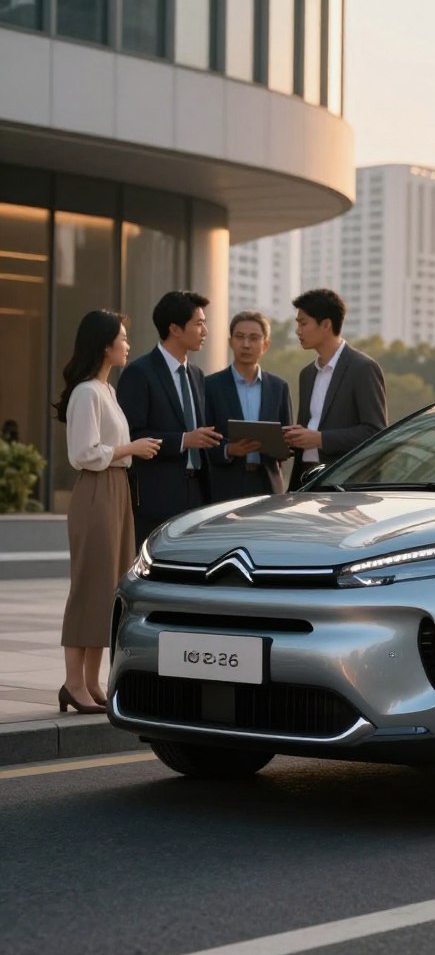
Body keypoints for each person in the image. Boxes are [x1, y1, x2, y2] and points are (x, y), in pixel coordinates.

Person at [53, 311, 161, 713]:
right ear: (104, 345)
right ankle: (72, 683)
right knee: (89, 586)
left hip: (116, 490)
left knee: (110, 587)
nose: (128, 344)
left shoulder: (107, 391)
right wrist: (132, 449)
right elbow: (83, 454)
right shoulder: (87, 393)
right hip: (96, 491)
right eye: (123, 337)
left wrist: (128, 454)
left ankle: (92, 683)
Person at [116, 291, 222, 548]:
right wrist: (184, 441)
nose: (205, 330)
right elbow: (133, 435)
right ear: (174, 328)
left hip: (197, 494)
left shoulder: (196, 374)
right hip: (157, 496)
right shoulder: (139, 373)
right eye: (198, 323)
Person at [284, 288, 386, 490]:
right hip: (305, 483)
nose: (298, 331)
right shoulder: (307, 374)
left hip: (345, 487)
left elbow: (375, 432)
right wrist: (293, 437)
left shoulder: (363, 368)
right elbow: (309, 428)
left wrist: (320, 439)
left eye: (303, 323)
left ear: (326, 325)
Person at [205, 310, 293, 500]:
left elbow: (287, 439)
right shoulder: (209, 386)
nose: (246, 344)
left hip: (268, 485)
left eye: (254, 338)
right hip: (225, 485)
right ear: (230, 342)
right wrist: (228, 450)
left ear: (265, 344)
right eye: (240, 337)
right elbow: (201, 441)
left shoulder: (279, 387)